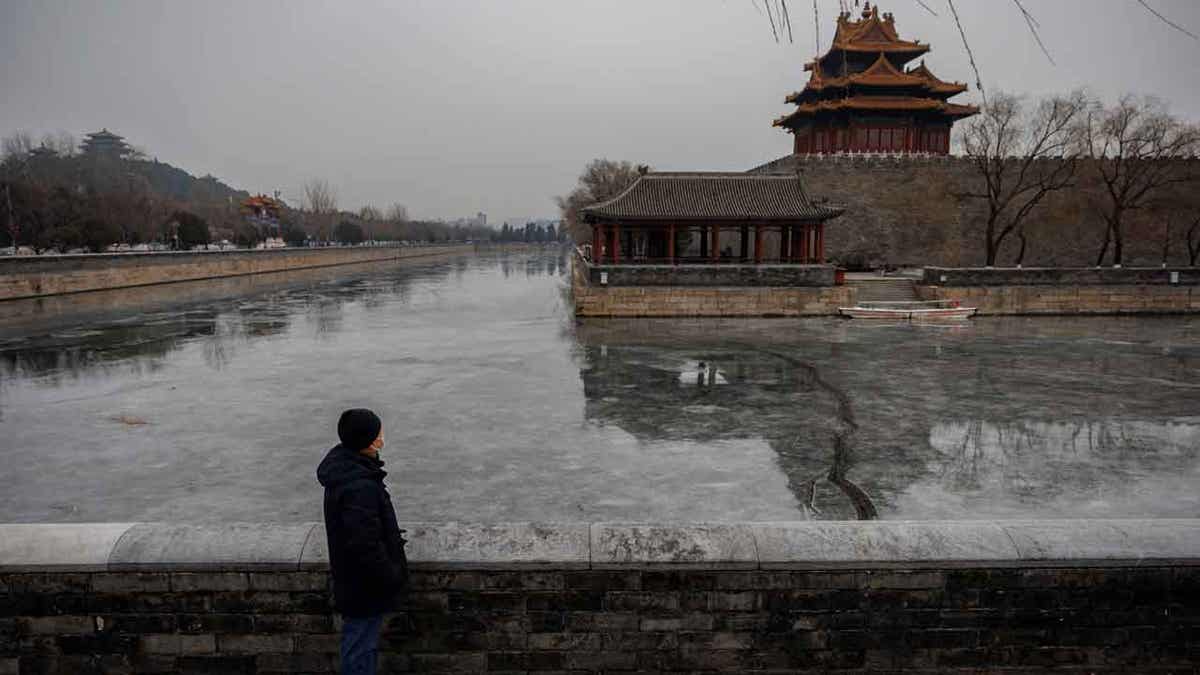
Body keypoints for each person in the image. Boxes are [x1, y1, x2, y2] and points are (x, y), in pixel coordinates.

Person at [317, 408, 408, 675]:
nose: (382, 439)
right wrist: (390, 575)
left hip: (354, 580)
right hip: (363, 585)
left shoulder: (347, 471)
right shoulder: (359, 486)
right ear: (368, 441)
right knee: (360, 647)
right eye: (378, 434)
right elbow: (364, 543)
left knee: (361, 645)